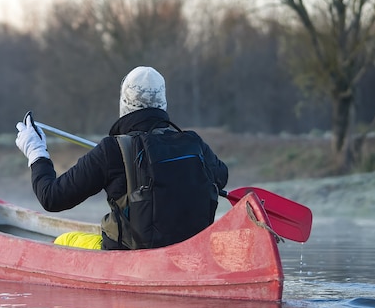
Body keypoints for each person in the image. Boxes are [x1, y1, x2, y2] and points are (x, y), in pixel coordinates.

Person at [15, 66, 228, 250]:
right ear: (163, 103)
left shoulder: (112, 150)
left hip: (130, 257)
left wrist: (36, 153)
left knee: (64, 240)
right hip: (190, 252)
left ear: (124, 103)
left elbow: (52, 197)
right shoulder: (194, 143)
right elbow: (222, 176)